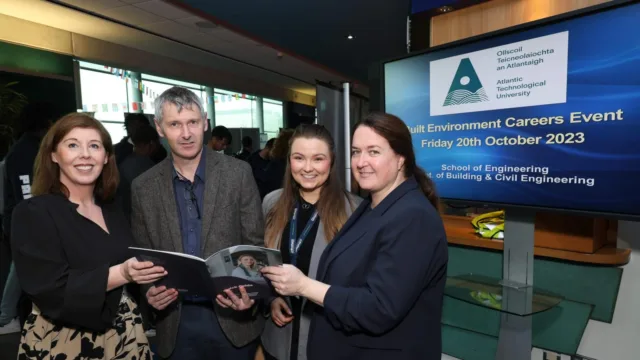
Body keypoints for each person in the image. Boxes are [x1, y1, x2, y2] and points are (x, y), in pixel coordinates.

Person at [261, 112, 448, 360]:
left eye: (373, 152)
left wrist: (304, 286)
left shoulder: (413, 217)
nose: (361, 162)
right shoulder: (373, 207)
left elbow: (380, 308)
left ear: (400, 158)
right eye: (356, 151)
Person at [10, 113, 167, 359]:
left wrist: (150, 292)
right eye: (73, 145)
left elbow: (128, 265)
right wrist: (122, 273)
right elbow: (50, 289)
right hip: (65, 341)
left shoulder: (113, 209)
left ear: (106, 157)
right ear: (53, 155)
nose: (85, 154)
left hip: (126, 333)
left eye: (94, 146)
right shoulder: (35, 212)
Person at [130, 86, 265, 360]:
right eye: (175, 124)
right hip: (176, 323)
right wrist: (149, 293)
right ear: (159, 128)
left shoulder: (238, 174)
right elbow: (145, 258)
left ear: (205, 122)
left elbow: (254, 244)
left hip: (234, 320)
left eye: (192, 122)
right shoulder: (143, 187)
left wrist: (250, 292)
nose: (186, 133)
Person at [259, 124, 361, 360]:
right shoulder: (271, 204)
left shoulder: (354, 211)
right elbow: (262, 265)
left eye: (318, 158)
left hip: (328, 341)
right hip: (277, 341)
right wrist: (272, 299)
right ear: (289, 161)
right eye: (299, 158)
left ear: (331, 161)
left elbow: (358, 287)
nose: (307, 168)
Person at [0, 102, 56, 335]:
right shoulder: (26, 151)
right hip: (27, 222)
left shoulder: (25, 148)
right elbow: (26, 190)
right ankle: (6, 316)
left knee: (23, 267)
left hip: (24, 220)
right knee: (21, 268)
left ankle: (8, 315)